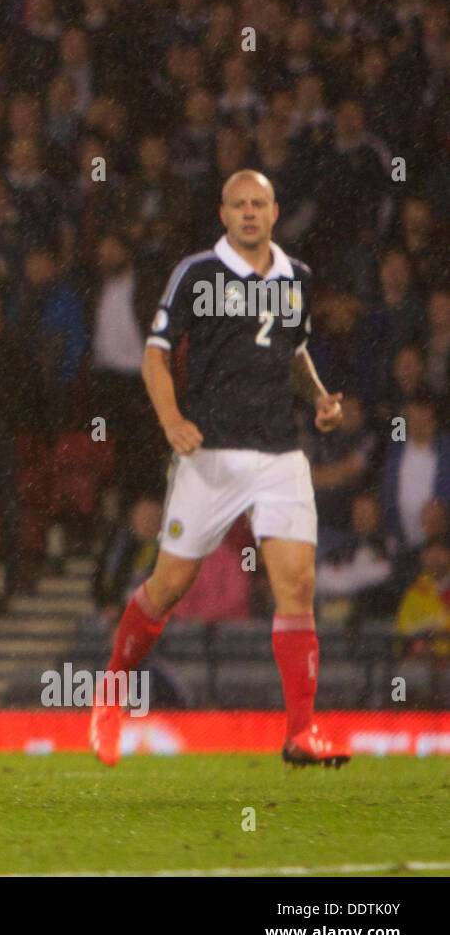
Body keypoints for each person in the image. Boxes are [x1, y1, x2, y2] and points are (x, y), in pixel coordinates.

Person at [89, 171, 349, 768]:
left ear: (276, 211)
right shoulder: (197, 274)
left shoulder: (297, 279)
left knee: (298, 586)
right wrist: (171, 420)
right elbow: (155, 354)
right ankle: (109, 696)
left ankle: (301, 733)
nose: (250, 213)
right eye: (239, 204)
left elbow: (293, 350)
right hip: (210, 454)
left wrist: (318, 397)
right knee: (168, 587)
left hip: (279, 453)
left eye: (259, 203)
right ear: (224, 213)